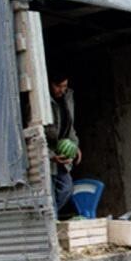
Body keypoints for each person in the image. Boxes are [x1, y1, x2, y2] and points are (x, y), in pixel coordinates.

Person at [45, 69, 82, 214]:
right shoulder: (42, 102)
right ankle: (51, 222)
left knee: (66, 188)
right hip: (47, 154)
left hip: (61, 154)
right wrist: (50, 156)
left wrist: (75, 146)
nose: (62, 90)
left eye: (64, 86)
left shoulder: (67, 98)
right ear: (49, 83)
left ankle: (50, 216)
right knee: (50, 192)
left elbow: (70, 127)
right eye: (58, 86)